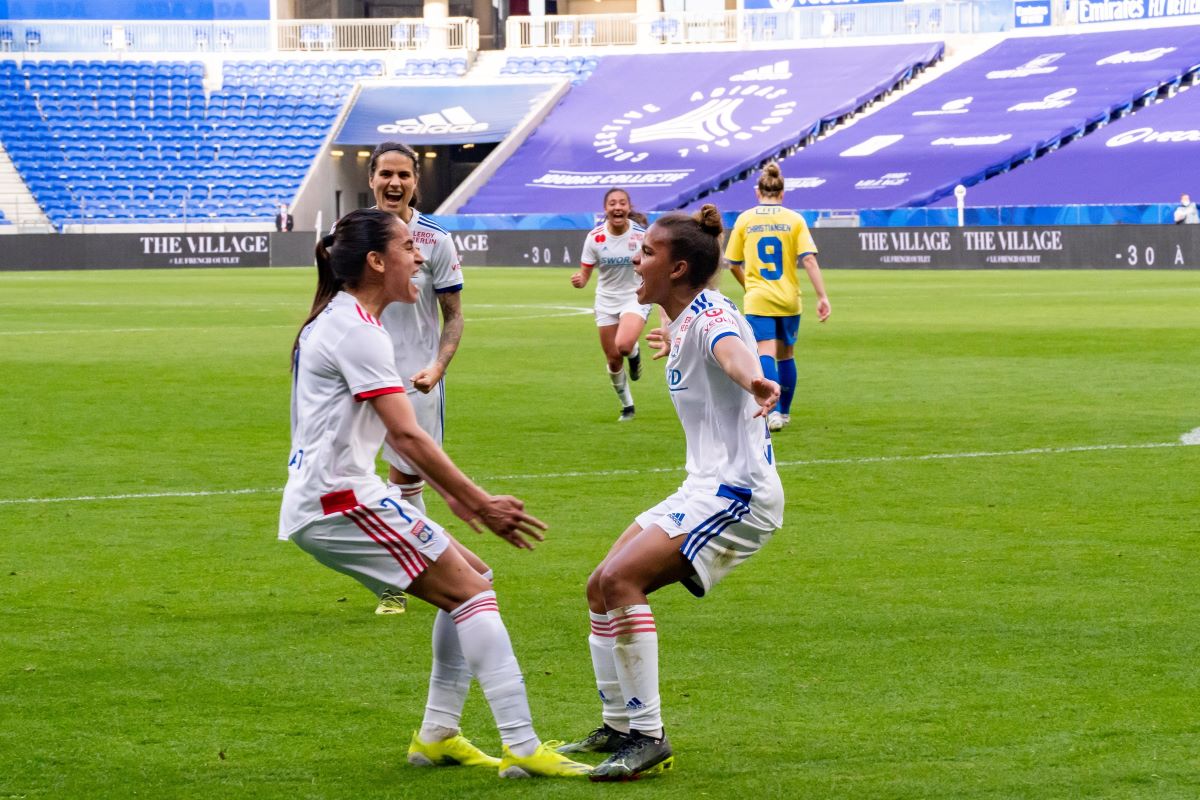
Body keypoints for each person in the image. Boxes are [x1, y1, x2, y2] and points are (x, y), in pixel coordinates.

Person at [280, 208, 591, 779]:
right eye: (406, 248)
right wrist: (475, 500)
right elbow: (405, 432)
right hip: (338, 502)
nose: (418, 256)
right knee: (472, 596)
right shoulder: (355, 329)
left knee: (473, 580)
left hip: (341, 493)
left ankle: (438, 736)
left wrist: (453, 496)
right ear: (376, 262)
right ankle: (521, 748)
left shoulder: (340, 319)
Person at [556, 205, 784, 781]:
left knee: (619, 581)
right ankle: (618, 724)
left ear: (678, 267)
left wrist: (753, 376)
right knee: (597, 587)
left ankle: (649, 735)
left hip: (739, 494)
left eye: (649, 252)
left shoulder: (709, 319)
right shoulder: (682, 316)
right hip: (702, 485)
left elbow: (731, 347)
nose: (637, 257)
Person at [367, 141, 466, 615]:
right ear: (371, 180)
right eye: (386, 174)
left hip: (412, 381)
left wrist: (439, 366)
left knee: (405, 486)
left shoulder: (436, 240)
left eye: (403, 175)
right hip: (354, 375)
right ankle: (408, 574)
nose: (394, 183)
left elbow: (454, 316)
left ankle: (401, 580)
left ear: (414, 183)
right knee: (345, 483)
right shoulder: (348, 234)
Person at [724, 162, 831, 433]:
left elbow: (732, 262)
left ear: (758, 191)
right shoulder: (794, 219)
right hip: (789, 299)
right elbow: (808, 259)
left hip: (759, 298)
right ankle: (783, 413)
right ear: (782, 194)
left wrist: (749, 285)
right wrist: (822, 296)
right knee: (787, 355)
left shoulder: (746, 219)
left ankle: (769, 411)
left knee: (765, 353)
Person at [571, 188, 651, 422]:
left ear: (628, 207)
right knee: (613, 358)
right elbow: (585, 275)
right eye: (612, 204)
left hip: (634, 296)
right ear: (606, 209)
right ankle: (627, 406)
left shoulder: (641, 235)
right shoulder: (595, 237)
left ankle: (634, 354)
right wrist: (579, 281)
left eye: (622, 203)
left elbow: (652, 263)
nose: (617, 207)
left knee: (624, 346)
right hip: (606, 299)